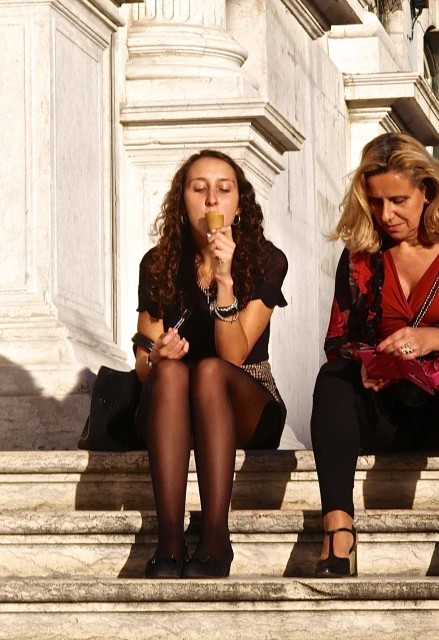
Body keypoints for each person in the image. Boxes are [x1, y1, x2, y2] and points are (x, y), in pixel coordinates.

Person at [310, 132, 439, 579]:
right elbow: (338, 339)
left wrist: (432, 338)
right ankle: (338, 534)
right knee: (333, 378)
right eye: (375, 201)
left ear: (428, 191)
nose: (386, 214)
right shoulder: (361, 255)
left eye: (398, 200)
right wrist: (367, 363)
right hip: (386, 409)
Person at [134, 150, 288, 579]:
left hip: (245, 398)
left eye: (224, 190)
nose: (211, 201)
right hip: (172, 404)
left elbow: (234, 355)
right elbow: (141, 364)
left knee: (207, 370)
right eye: (198, 189)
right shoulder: (158, 263)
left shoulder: (265, 259)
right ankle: (169, 539)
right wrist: (156, 355)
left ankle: (216, 537)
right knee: (169, 372)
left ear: (240, 204)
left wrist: (225, 280)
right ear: (181, 203)